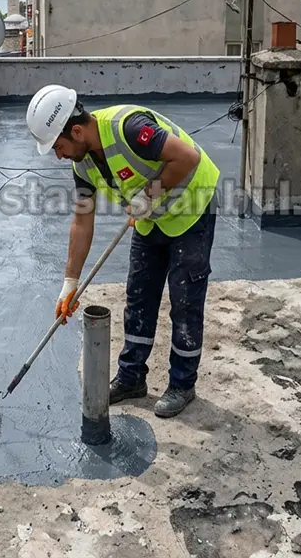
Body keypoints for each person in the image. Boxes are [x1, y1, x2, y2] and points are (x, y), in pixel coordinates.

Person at [26, 86, 219, 418]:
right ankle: (132, 378)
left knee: (185, 301)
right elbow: (82, 221)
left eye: (58, 147)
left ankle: (182, 384)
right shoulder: (82, 163)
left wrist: (150, 193)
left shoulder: (128, 128)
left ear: (76, 130)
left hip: (192, 210)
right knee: (139, 296)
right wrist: (69, 282)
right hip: (150, 218)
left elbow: (188, 157)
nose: (58, 155)